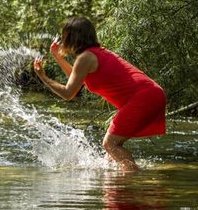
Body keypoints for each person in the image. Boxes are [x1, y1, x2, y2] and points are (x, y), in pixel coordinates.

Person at [33, 16, 166, 172]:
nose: (62, 40)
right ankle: (120, 182)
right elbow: (76, 81)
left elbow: (68, 93)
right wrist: (58, 57)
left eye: (64, 36)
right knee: (110, 155)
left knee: (110, 145)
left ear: (71, 37)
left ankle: (132, 182)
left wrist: (43, 77)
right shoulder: (93, 54)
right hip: (152, 94)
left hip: (144, 97)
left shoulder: (85, 58)